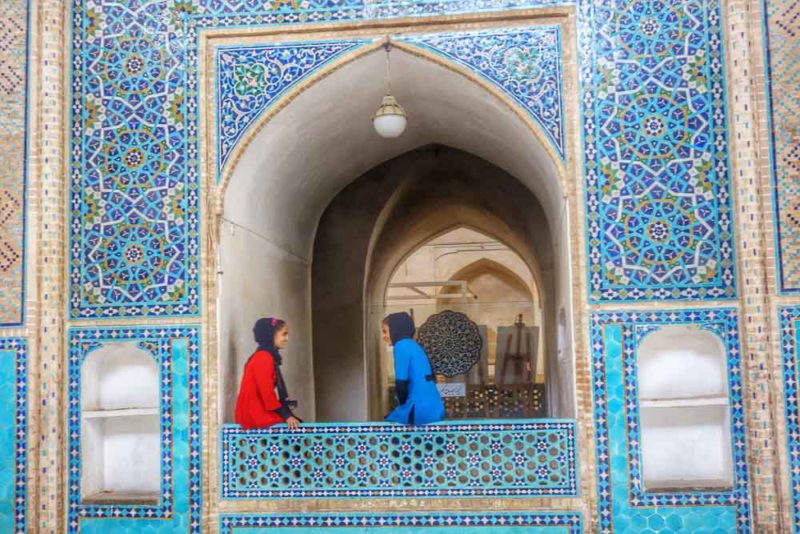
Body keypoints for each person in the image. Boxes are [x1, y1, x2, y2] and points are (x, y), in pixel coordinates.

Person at [235, 317, 301, 430]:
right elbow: (267, 393)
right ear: (271, 335)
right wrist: (286, 416)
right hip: (253, 414)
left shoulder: (268, 356)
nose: (287, 338)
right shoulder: (263, 357)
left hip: (259, 410)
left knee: (300, 427)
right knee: (297, 430)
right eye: (284, 334)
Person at [383, 312, 445, 425]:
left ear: (395, 329)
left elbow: (401, 382)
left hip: (418, 408)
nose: (384, 336)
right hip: (434, 407)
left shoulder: (401, 345)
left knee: (390, 424)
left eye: (385, 331)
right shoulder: (415, 346)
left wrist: (403, 405)